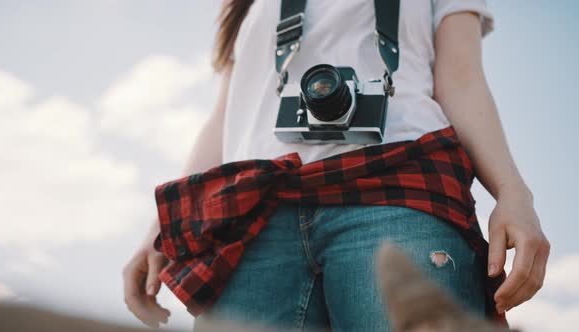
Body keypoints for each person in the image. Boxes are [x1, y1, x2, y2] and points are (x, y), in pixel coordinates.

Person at [122, 0, 550, 331]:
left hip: (398, 189)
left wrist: (513, 193)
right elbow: (227, 115)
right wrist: (162, 227)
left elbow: (463, 78)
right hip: (253, 214)